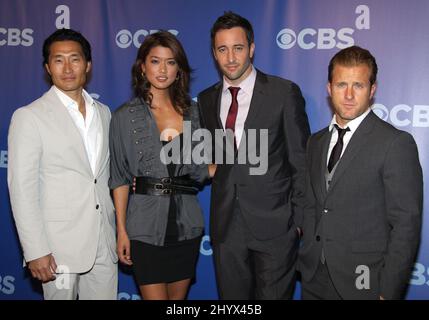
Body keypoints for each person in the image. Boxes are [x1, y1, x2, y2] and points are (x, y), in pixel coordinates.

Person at [198, 12, 311, 299]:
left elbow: (301, 161)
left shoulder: (283, 93)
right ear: (214, 54)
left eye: (238, 47)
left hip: (276, 227)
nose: (231, 57)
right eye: (222, 49)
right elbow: (213, 158)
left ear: (251, 48)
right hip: (226, 229)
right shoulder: (207, 99)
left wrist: (298, 224)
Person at [297, 46, 423, 300]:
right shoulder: (316, 141)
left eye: (359, 85)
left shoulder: (395, 143)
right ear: (329, 88)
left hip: (363, 282)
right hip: (313, 278)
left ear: (372, 90)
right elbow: (311, 203)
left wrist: (387, 292)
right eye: (342, 84)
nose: (349, 95)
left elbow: (406, 225)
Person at [7, 28, 118, 300]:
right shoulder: (29, 117)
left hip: (104, 240)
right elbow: (22, 189)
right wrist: (35, 250)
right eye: (58, 60)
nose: (67, 67)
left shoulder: (104, 113)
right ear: (47, 67)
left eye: (75, 58)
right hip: (57, 247)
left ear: (88, 65)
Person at [109, 31, 211, 300]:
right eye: (155, 61)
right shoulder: (124, 116)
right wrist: (121, 229)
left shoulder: (194, 113)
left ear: (179, 70)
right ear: (142, 66)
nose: (163, 69)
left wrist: (241, 162)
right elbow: (119, 178)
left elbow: (201, 170)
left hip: (186, 225)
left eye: (171, 62)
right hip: (143, 227)